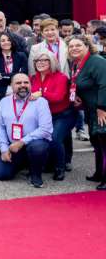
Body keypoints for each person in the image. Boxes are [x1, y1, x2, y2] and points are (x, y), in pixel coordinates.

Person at [0, 73, 52, 188]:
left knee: (38, 147)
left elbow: (46, 129)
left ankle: (35, 174)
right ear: (11, 85)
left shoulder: (41, 102)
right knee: (1, 174)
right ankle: (22, 163)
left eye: (26, 82)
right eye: (18, 83)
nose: (23, 85)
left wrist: (22, 142)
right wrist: (4, 148)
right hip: (13, 146)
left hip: (33, 144)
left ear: (30, 85)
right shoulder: (4, 102)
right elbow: (0, 126)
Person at [67, 35, 106, 189]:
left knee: (104, 143)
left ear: (87, 46)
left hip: (101, 110)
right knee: (96, 142)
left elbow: (104, 84)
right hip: (90, 109)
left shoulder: (96, 61)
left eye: (78, 45)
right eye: (71, 46)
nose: (74, 48)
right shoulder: (77, 64)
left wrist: (103, 108)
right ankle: (99, 173)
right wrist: (77, 96)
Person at [29, 52, 74, 181]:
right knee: (44, 138)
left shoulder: (61, 77)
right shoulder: (33, 78)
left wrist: (42, 94)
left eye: (44, 60)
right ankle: (48, 164)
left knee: (54, 138)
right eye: (37, 60)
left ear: (52, 62)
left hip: (64, 115)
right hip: (45, 115)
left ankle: (60, 168)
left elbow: (58, 97)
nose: (40, 63)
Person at [0, 32, 29, 105]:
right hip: (1, 93)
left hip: (19, 91)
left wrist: (1, 75)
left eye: (8, 40)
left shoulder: (21, 56)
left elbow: (23, 75)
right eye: (3, 41)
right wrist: (15, 75)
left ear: (12, 41)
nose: (6, 42)